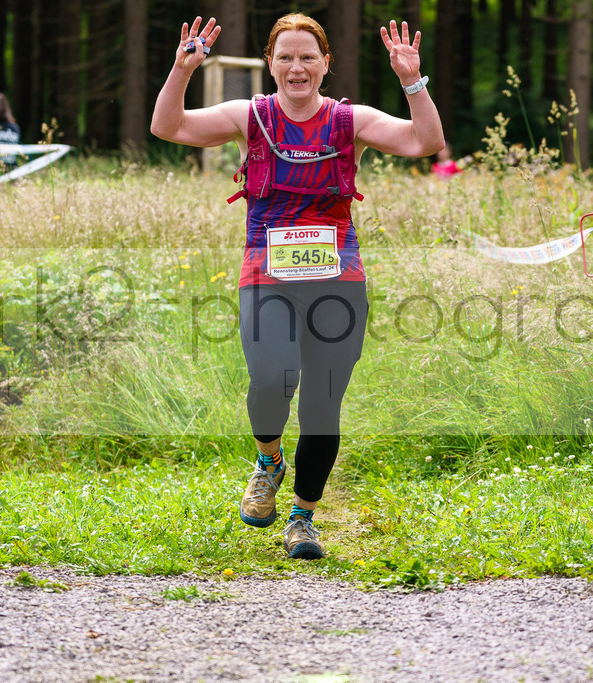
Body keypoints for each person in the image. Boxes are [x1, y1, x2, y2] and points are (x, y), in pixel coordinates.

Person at [151, 13, 443, 559]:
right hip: (266, 276)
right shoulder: (251, 116)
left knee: (322, 404)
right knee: (269, 380)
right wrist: (181, 70)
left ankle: (303, 519)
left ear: (326, 65)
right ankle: (268, 460)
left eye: (308, 56)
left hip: (338, 280)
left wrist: (412, 81)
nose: (296, 66)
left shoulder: (349, 122)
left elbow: (425, 142)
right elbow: (170, 127)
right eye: (285, 56)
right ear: (270, 64)